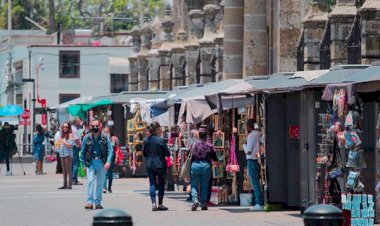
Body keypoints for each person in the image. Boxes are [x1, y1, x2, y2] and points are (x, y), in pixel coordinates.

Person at [80, 119, 113, 210]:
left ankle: (98, 202)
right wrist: (83, 165)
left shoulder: (105, 137)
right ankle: (89, 202)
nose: (95, 127)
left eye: (96, 126)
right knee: (90, 181)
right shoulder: (87, 137)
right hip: (90, 162)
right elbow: (82, 152)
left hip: (102, 162)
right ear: (91, 126)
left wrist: (108, 162)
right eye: (93, 126)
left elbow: (110, 150)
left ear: (100, 126)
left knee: (100, 183)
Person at [143, 121, 170, 211]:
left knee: (152, 183)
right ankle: (160, 204)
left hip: (150, 164)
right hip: (160, 164)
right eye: (160, 128)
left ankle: (153, 203)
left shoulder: (146, 140)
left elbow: (144, 153)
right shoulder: (161, 140)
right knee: (161, 184)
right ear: (157, 129)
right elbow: (167, 153)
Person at [190, 126, 217, 211]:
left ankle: (195, 200)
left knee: (194, 184)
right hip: (206, 166)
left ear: (199, 135)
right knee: (204, 185)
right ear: (206, 136)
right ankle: (204, 203)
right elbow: (215, 157)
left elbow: (189, 155)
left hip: (195, 165)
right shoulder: (210, 145)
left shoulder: (194, 144)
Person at [243, 119, 264, 211]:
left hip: (251, 160)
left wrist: (244, 145)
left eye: (247, 126)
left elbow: (248, 150)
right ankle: (259, 202)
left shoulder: (251, 135)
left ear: (249, 126)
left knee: (254, 183)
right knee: (257, 182)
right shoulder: (259, 134)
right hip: (258, 160)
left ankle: (258, 203)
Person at [57, 122, 74, 189]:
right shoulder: (62, 135)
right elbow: (59, 143)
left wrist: (63, 141)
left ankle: (69, 185)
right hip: (62, 154)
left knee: (68, 170)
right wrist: (58, 143)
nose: (65, 128)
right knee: (64, 170)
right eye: (64, 127)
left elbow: (70, 145)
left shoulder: (70, 135)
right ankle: (64, 184)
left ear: (69, 128)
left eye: (66, 127)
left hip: (68, 154)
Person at [102, 127, 119, 194]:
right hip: (105, 157)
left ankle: (109, 187)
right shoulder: (103, 139)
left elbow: (117, 148)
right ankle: (104, 187)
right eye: (104, 131)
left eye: (107, 131)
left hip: (112, 156)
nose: (105, 133)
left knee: (110, 173)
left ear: (110, 132)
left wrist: (117, 157)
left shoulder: (114, 138)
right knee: (105, 172)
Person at [71, 117, 83, 185]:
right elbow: (76, 139)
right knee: (75, 163)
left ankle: (73, 178)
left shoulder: (74, 128)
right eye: (79, 121)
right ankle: (74, 179)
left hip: (74, 147)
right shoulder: (74, 129)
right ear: (75, 122)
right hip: (75, 147)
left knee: (74, 163)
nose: (80, 122)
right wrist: (81, 146)